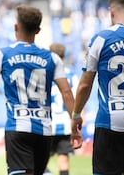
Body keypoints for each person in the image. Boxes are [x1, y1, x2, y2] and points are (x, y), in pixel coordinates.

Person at [0, 5, 81, 175]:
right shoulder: (52, 58)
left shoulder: (3, 54)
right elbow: (66, 92)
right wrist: (75, 121)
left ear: (16, 27)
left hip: (18, 127)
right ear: (38, 30)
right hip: (44, 130)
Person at [71, 0, 124, 174]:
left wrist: (76, 114)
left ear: (111, 12)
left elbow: (85, 84)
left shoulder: (101, 39)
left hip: (110, 122)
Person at [44, 43, 79, 175]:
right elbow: (75, 99)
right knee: (63, 158)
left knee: (40, 160)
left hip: (46, 123)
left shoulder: (44, 72)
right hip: (65, 124)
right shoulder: (71, 76)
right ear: (64, 56)